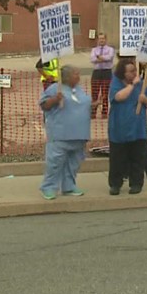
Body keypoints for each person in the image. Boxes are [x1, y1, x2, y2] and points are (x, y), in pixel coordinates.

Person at [39, 65, 94, 199]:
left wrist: (94, 104)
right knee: (55, 163)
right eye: (76, 74)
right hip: (61, 135)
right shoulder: (54, 89)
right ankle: (49, 187)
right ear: (67, 76)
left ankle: (69, 186)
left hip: (79, 135)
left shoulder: (78, 90)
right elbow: (44, 105)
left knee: (73, 164)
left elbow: (80, 105)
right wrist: (54, 100)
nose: (78, 76)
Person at [108, 60, 147, 195]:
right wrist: (132, 85)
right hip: (119, 130)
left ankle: (136, 183)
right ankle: (115, 184)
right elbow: (119, 97)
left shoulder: (141, 84)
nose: (134, 73)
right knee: (117, 159)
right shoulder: (116, 83)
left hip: (137, 129)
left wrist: (144, 99)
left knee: (137, 158)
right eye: (131, 71)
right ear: (123, 73)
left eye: (135, 70)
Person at [90, 33, 116, 118]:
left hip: (106, 72)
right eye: (100, 39)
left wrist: (99, 58)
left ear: (106, 39)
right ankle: (93, 112)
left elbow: (110, 57)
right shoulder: (94, 49)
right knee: (94, 93)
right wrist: (103, 58)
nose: (101, 40)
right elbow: (92, 59)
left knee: (105, 93)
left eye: (103, 39)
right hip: (96, 72)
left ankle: (104, 113)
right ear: (97, 40)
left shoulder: (110, 49)